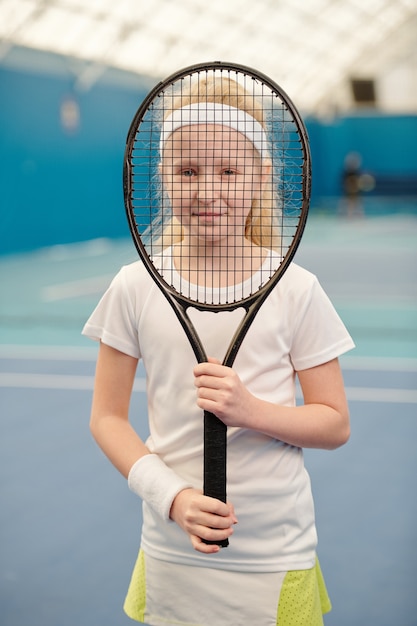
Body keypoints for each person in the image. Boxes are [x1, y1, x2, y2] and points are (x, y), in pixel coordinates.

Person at [82, 74, 355, 626]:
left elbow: (334, 424)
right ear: (162, 178)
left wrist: (250, 411)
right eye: (187, 171)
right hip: (170, 549)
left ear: (260, 177)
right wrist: (173, 498)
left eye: (230, 169)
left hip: (276, 555)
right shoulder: (135, 286)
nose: (208, 189)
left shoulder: (297, 290)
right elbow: (106, 419)